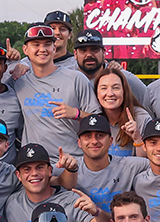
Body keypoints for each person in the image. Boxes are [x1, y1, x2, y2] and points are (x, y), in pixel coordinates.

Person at [2, 143, 116, 222]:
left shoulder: (71, 200)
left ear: (50, 171)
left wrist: (97, 212)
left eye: (40, 167)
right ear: (18, 175)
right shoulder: (12, 203)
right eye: (27, 169)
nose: (34, 173)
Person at [12, 24, 99, 157]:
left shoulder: (75, 79)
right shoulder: (19, 80)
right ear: (25, 49)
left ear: (54, 47)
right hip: (34, 163)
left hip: (73, 161)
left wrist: (76, 113)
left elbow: (100, 121)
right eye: (36, 45)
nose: (42, 49)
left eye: (47, 44)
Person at [72, 114, 150, 222]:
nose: (94, 141)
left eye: (100, 135)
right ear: (79, 142)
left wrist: (138, 140)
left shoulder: (128, 166)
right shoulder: (71, 170)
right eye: (87, 136)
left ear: (111, 141)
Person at [73, 29, 149, 108]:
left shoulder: (124, 77)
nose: (89, 55)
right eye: (83, 50)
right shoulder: (68, 78)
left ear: (103, 52)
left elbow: (148, 103)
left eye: (94, 49)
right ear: (75, 54)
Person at [93, 67, 149, 157]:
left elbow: (148, 163)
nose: (110, 93)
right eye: (104, 88)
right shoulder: (93, 119)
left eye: (116, 88)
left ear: (124, 91)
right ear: (96, 93)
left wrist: (137, 138)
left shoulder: (141, 118)